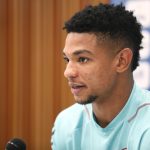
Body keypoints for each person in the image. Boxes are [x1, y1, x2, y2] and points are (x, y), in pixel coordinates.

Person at [51, 3, 150, 150]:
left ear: (122, 61)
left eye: (83, 59)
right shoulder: (66, 124)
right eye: (67, 59)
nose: (68, 72)